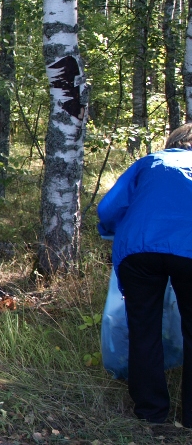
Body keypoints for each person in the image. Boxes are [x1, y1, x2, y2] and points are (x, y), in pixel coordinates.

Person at [97, 123, 192, 428]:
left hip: (139, 250)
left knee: (143, 327)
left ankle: (151, 413)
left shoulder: (151, 162)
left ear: (173, 142)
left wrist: (109, 230)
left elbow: (109, 206)